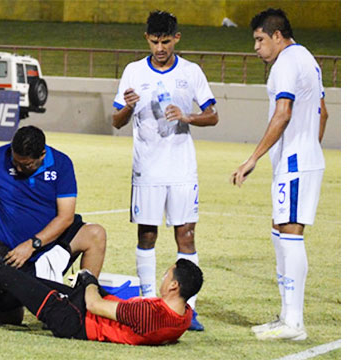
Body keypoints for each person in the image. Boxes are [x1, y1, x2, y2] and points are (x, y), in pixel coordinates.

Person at [111, 10, 218, 331]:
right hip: (147, 170)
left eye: (166, 41)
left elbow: (212, 115)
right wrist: (128, 106)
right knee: (147, 234)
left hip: (183, 169)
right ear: (147, 39)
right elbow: (116, 121)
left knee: (185, 235)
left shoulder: (191, 71)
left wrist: (187, 116)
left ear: (177, 38)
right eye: (155, 41)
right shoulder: (133, 72)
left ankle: (188, 310)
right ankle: (147, 301)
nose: (160, 48)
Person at [231, 8, 327, 341]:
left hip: (295, 162)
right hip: (297, 159)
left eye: (259, 40)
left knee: (291, 233)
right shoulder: (307, 58)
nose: (256, 47)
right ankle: (286, 315)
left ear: (276, 35)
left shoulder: (286, 61)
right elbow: (323, 112)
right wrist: (307, 148)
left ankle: (294, 323)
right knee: (280, 230)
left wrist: (253, 158)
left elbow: (282, 113)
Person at [0, 125, 107, 324]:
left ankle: (83, 305)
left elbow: (65, 218)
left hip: (47, 248)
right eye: (15, 162)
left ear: (42, 155)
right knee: (11, 320)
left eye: (26, 165)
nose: (19, 169)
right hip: (9, 256)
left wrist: (32, 244)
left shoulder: (61, 164)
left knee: (95, 233)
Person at [0, 259, 202, 346]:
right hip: (82, 312)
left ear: (174, 286)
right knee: (24, 281)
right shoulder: (184, 315)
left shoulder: (149, 312)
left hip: (75, 319)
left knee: (4, 273)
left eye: (167, 275)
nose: (163, 278)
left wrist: (89, 279)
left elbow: (96, 304)